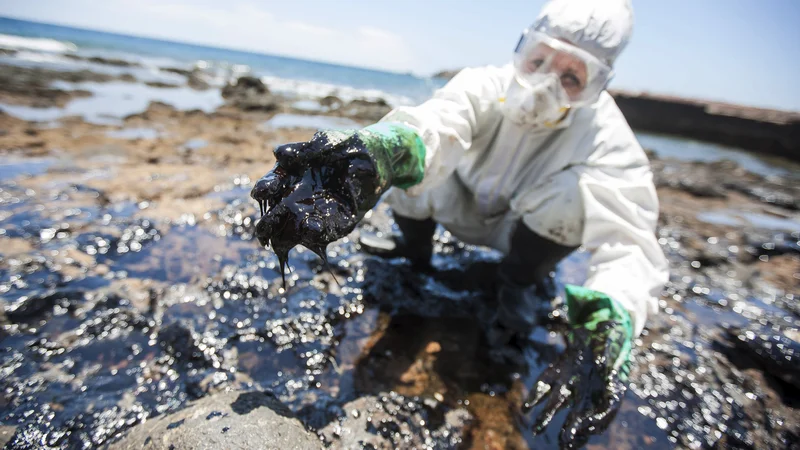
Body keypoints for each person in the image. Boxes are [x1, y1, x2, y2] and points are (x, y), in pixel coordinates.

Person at [251, 0, 668, 447]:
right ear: (522, 48)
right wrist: (384, 150)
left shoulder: (607, 137)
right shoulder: (482, 85)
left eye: (571, 77)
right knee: (420, 164)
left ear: (597, 86)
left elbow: (630, 239)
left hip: (524, 235)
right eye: (540, 60)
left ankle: (517, 285)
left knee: (576, 198)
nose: (547, 83)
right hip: (458, 209)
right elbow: (434, 125)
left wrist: (612, 320)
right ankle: (414, 253)